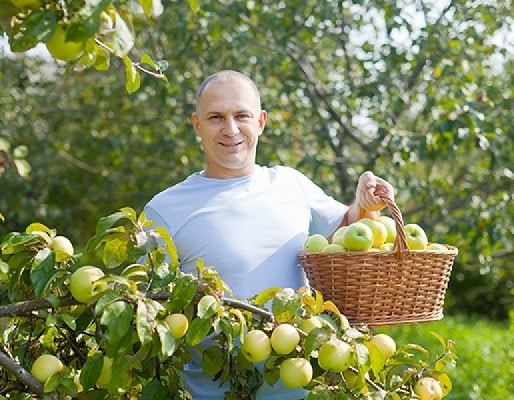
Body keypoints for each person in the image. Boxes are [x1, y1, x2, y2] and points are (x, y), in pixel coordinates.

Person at [144, 70, 395, 399]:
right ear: (197, 125)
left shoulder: (290, 184)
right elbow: (145, 307)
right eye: (216, 117)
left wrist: (366, 204)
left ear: (260, 121)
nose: (231, 129)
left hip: (299, 389)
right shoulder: (165, 209)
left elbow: (351, 236)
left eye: (241, 116)